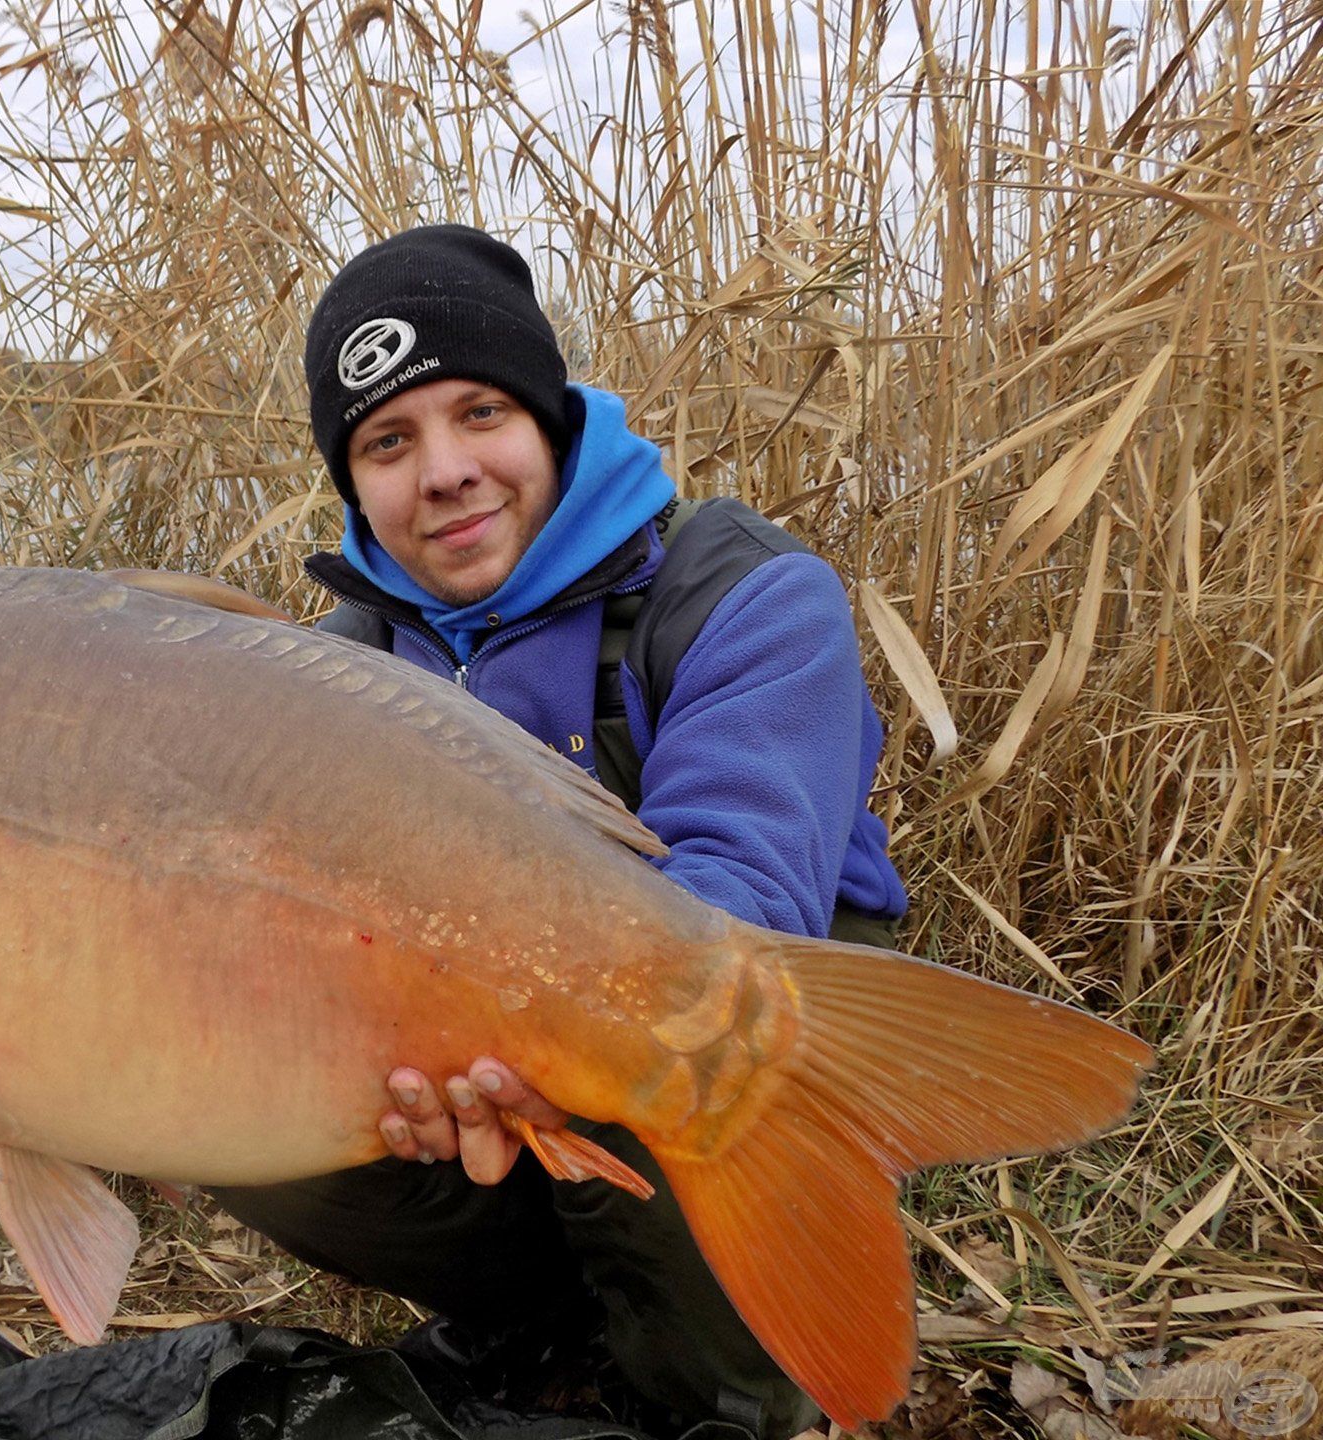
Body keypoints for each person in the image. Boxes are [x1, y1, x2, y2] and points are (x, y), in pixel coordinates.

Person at [210, 225, 909, 1440]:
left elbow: (738, 909)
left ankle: (731, 1392)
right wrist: (391, 1063)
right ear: (354, 481)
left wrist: (493, 1036)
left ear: (551, 420)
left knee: (649, 1060)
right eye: (388, 441)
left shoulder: (743, 592)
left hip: (738, 1025)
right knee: (243, 1105)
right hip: (482, 1060)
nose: (444, 471)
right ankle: (545, 1318)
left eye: (480, 413)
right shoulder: (335, 675)